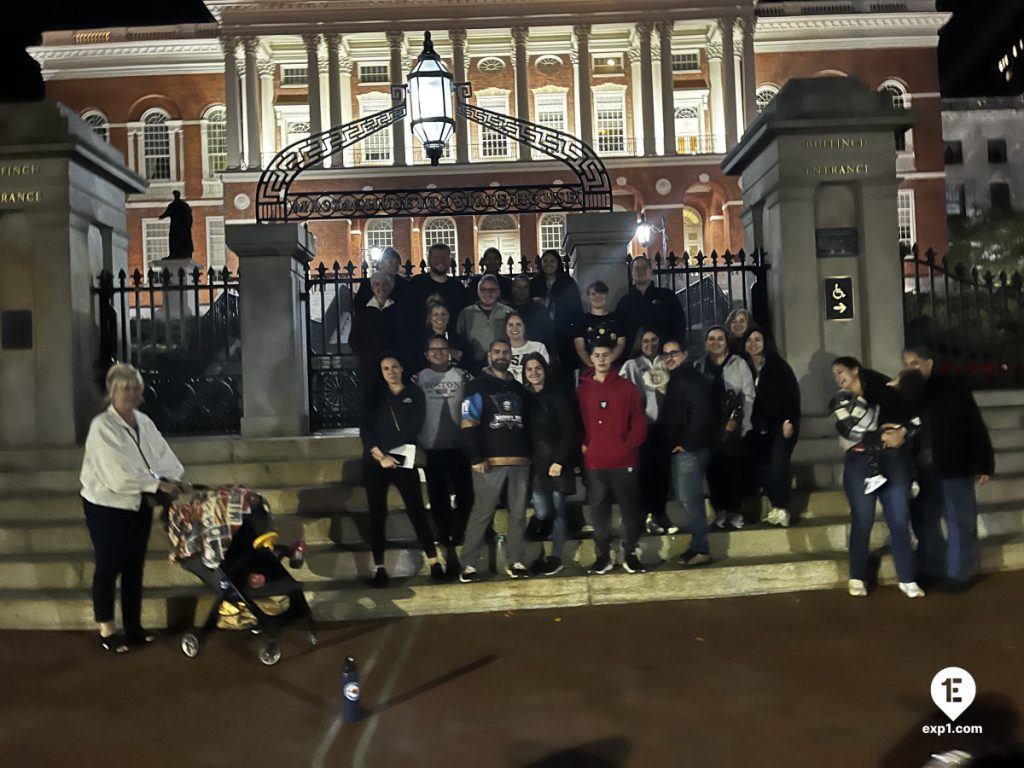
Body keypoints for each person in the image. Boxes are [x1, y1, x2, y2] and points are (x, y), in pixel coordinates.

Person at [80, 363, 188, 653]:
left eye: (136, 387)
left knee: (133, 567)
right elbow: (116, 475)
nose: (131, 393)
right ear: (112, 391)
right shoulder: (102, 426)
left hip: (138, 502)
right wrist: (157, 486)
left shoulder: (144, 421)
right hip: (107, 505)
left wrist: (174, 478)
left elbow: (162, 454)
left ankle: (134, 627)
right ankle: (107, 628)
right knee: (109, 564)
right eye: (124, 388)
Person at [830, 356, 925, 599]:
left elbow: (913, 419)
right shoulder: (842, 401)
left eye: (841, 371)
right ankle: (857, 576)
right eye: (835, 374)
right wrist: (883, 433)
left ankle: (907, 578)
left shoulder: (885, 392)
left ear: (855, 370)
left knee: (899, 517)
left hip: (893, 459)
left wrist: (902, 431)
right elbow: (851, 431)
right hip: (860, 462)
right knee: (863, 518)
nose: (838, 377)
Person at [902, 346, 994, 592]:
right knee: (924, 519)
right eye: (907, 364)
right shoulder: (910, 389)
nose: (911, 368)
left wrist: (984, 462)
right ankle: (931, 567)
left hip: (954, 463)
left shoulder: (953, 387)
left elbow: (974, 424)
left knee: (960, 519)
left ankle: (959, 573)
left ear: (929, 362)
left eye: (915, 363)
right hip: (922, 468)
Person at [360, 353, 445, 587]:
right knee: (378, 513)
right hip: (375, 462)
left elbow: (412, 428)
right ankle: (379, 567)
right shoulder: (374, 395)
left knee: (416, 508)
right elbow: (365, 428)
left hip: (402, 457)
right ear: (381, 372)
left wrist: (390, 455)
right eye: (386, 368)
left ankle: (434, 561)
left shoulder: (414, 393)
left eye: (394, 366)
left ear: (402, 368)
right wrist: (379, 455)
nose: (390, 371)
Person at [458, 340, 532, 582]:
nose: (501, 356)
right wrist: (476, 456)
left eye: (506, 352)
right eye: (497, 352)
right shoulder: (476, 386)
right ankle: (468, 564)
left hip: (519, 460)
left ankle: (516, 560)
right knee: (482, 512)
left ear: (511, 355)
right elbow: (468, 423)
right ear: (489, 355)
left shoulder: (520, 388)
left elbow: (528, 424)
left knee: (519, 514)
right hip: (489, 461)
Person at [577, 338, 648, 574]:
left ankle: (629, 553)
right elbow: (576, 422)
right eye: (597, 355)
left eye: (605, 355)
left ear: (612, 357)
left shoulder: (627, 387)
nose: (601, 359)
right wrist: (584, 444)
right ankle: (603, 555)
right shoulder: (582, 390)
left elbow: (638, 421)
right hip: (595, 462)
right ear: (591, 358)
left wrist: (626, 447)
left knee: (630, 509)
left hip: (625, 461)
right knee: (599, 512)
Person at [416, 335, 475, 573]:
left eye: (443, 349)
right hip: (431, 448)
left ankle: (457, 531)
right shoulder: (419, 378)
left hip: (459, 446)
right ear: (427, 354)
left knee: (466, 495)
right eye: (434, 349)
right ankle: (446, 542)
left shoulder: (462, 376)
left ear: (450, 351)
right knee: (438, 498)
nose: (438, 352)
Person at [694, 325, 756, 529]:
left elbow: (748, 395)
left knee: (733, 470)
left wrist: (744, 423)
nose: (716, 343)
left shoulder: (739, 364)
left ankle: (735, 510)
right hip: (709, 429)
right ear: (705, 343)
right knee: (714, 471)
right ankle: (719, 509)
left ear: (726, 342)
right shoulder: (699, 366)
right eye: (711, 339)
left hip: (733, 426)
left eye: (720, 339)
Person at [522, 353, 577, 576]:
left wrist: (560, 460)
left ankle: (556, 556)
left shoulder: (558, 394)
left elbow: (569, 430)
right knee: (543, 512)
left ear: (545, 369)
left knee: (558, 510)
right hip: (534, 464)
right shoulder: (523, 396)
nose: (534, 373)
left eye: (538, 368)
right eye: (529, 369)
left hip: (556, 462)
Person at [661, 339, 715, 566]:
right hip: (684, 449)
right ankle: (697, 545)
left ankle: (701, 547)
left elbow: (701, 412)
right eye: (665, 355)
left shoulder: (690, 379)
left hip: (690, 450)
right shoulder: (678, 378)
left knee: (689, 499)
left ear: (684, 354)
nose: (670, 358)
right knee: (686, 498)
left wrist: (687, 443)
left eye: (674, 353)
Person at [619, 328, 676, 535]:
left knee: (662, 474)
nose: (650, 344)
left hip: (663, 426)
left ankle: (660, 513)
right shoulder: (631, 366)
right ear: (639, 343)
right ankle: (643, 516)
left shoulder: (666, 362)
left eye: (654, 340)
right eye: (645, 341)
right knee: (643, 474)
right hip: (642, 427)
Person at [744, 327, 801, 527]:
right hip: (757, 426)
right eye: (749, 340)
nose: (753, 344)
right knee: (763, 467)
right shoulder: (743, 366)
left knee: (779, 463)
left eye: (757, 339)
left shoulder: (778, 366)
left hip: (781, 424)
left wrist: (789, 420)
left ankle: (782, 507)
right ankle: (775, 505)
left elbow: (791, 395)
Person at [530, 249, 583, 385]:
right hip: (542, 334)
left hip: (565, 333)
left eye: (552, 261)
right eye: (545, 261)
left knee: (566, 373)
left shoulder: (568, 282)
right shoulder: (535, 283)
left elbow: (576, 308)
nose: (549, 264)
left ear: (558, 263)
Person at [615, 256, 686, 349]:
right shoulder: (624, 302)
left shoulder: (667, 297)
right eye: (637, 269)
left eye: (644, 268)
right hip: (633, 357)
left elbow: (679, 326)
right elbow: (619, 331)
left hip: (663, 354)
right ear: (632, 273)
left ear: (651, 271)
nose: (641, 271)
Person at [350, 270, 399, 394]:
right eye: (377, 284)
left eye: (385, 284)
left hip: (393, 367)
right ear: (372, 287)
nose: (381, 287)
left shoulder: (399, 310)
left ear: (391, 287)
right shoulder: (363, 312)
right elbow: (353, 340)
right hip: (369, 367)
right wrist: (368, 354)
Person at [456, 274, 514, 372]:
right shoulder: (466, 313)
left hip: (502, 366)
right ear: (478, 292)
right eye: (483, 289)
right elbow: (459, 340)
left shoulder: (508, 312)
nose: (487, 293)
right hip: (473, 367)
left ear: (498, 292)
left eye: (492, 289)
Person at [407, 242, 469, 321]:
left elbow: (463, 317)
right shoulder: (416, 284)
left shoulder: (457, 287)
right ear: (429, 260)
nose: (440, 261)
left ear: (450, 260)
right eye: (436, 257)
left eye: (444, 257)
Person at [573, 280, 626, 369]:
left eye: (601, 293)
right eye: (593, 294)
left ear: (606, 295)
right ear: (588, 297)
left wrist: (607, 363)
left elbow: (621, 344)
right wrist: (592, 365)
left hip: (613, 367)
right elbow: (580, 349)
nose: (597, 297)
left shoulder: (617, 318)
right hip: (589, 368)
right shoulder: (581, 321)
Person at [417, 300, 470, 369]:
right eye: (436, 314)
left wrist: (460, 356)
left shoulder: (459, 340)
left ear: (448, 316)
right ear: (429, 318)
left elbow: (469, 362)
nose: (440, 318)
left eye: (443, 314)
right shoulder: (421, 340)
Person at [510, 274, 555, 353]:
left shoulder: (540, 310)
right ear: (513, 289)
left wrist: (552, 354)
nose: (522, 290)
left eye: (525, 287)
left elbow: (550, 335)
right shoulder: (507, 310)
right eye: (519, 287)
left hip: (536, 354)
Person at [506, 312, 549, 383]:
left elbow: (545, 372)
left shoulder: (539, 347)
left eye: (518, 324)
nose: (514, 328)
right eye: (510, 325)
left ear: (524, 327)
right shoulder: (502, 351)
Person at [158, 190, 193, 260]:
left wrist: (162, 216)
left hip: (179, 226)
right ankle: (174, 254)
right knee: (175, 240)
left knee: (177, 239)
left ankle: (179, 253)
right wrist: (162, 216)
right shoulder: (180, 205)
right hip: (178, 226)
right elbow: (167, 213)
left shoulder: (180, 205)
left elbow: (189, 216)